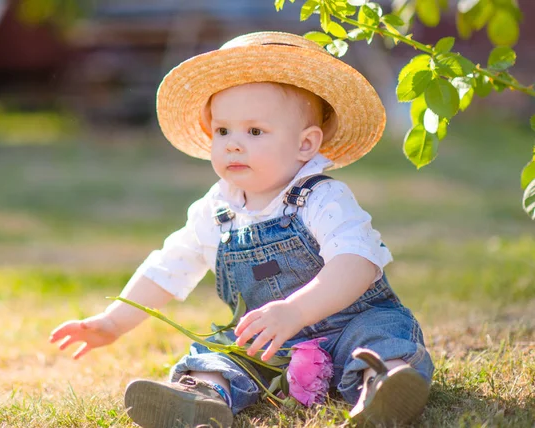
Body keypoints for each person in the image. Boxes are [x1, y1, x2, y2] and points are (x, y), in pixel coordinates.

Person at [49, 31, 434, 428]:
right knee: (224, 353)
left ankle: (382, 387)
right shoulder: (216, 211)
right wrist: (114, 321)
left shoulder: (322, 198)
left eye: (254, 132)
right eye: (222, 131)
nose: (233, 144)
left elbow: (357, 263)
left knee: (379, 340)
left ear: (305, 144)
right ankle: (201, 393)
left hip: (353, 321)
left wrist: (296, 310)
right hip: (272, 341)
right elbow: (169, 266)